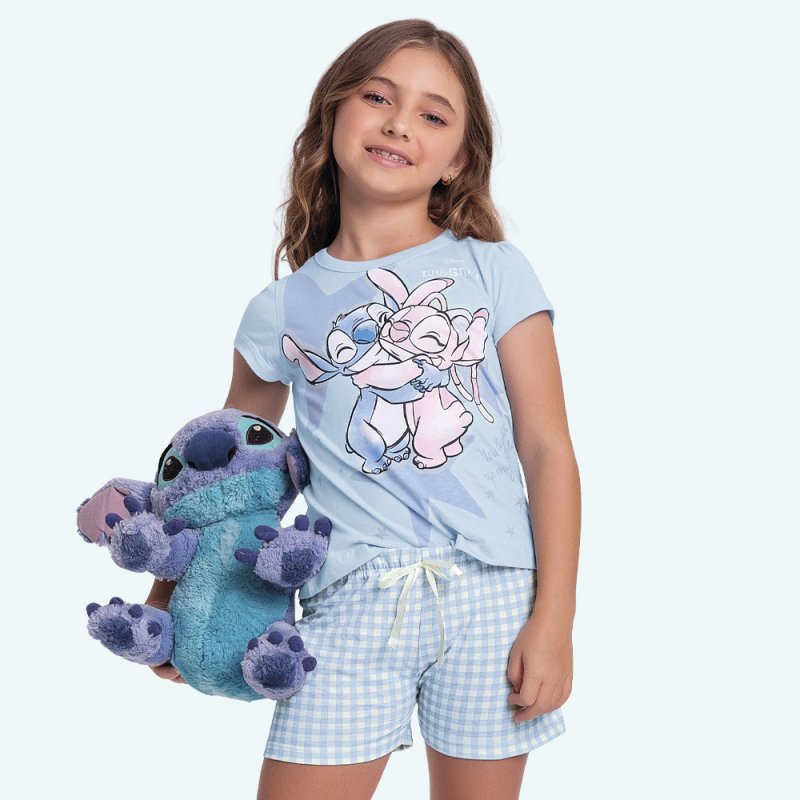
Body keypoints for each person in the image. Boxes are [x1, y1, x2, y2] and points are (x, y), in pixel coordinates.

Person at [145, 18, 580, 800]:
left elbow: (549, 450)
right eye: (379, 97)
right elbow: (231, 470)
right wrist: (172, 595)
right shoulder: (279, 310)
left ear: (458, 160)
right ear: (335, 112)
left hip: (493, 596)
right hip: (348, 600)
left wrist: (554, 620)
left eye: (433, 115)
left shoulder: (496, 271)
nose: (400, 123)